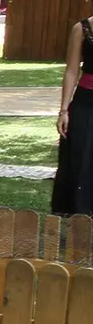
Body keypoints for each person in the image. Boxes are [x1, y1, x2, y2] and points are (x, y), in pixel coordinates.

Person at [53, 13, 93, 215]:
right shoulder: (82, 28)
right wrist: (64, 110)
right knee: (80, 158)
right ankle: (80, 216)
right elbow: (71, 71)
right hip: (85, 102)